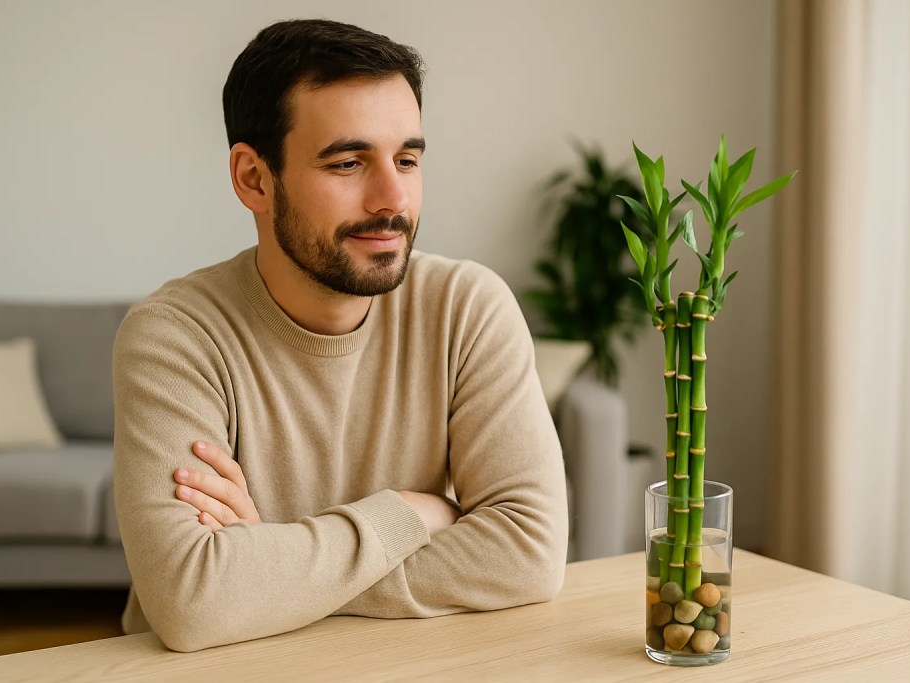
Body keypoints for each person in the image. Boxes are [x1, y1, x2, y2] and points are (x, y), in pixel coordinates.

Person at [112, 18, 568, 653]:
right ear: (253, 178)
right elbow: (193, 601)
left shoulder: (468, 307)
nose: (392, 198)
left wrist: (265, 570)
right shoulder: (175, 337)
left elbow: (529, 554)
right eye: (348, 162)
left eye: (407, 159)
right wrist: (412, 514)